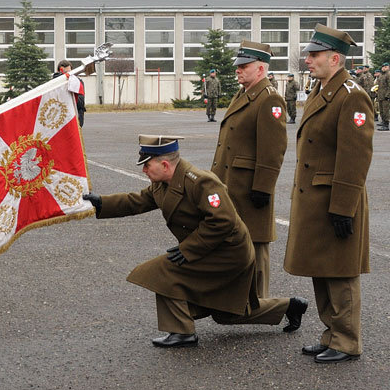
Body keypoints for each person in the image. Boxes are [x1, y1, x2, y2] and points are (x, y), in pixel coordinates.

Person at [82, 136, 307, 347]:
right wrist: (101, 202)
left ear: (165, 165)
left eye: (147, 165)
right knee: (225, 314)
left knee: (162, 271)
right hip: (209, 249)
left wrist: (188, 249)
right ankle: (290, 306)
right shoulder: (163, 184)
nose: (143, 170)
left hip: (229, 253)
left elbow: (223, 221)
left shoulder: (201, 182)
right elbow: (137, 201)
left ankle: (182, 331)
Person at [285, 24, 374, 363]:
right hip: (316, 198)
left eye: (314, 55)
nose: (308, 60)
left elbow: (355, 157)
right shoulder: (324, 90)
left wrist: (343, 207)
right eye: (308, 54)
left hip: (337, 197)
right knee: (321, 267)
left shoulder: (351, 94)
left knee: (340, 271)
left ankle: (347, 341)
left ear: (334, 58)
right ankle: (331, 334)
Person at [211, 40, 287, 298]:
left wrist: (263, 188)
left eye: (245, 66)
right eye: (238, 66)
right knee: (238, 244)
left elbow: (273, 149)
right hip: (232, 183)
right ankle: (241, 300)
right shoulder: (244, 94)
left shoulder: (269, 99)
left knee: (256, 245)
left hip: (251, 187)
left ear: (261, 68)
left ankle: (262, 303)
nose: (238, 70)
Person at [53, 59, 86, 127]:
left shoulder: (77, 82)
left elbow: (80, 103)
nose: (67, 75)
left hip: (75, 115)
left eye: (69, 72)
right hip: (59, 117)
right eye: (64, 73)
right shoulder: (54, 83)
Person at [377, 62, 390, 131]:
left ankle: (386, 124)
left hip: (385, 96)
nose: (383, 68)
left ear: (388, 67)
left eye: (385, 67)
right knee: (381, 110)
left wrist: (387, 95)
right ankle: (383, 122)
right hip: (381, 95)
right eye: (382, 67)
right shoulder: (382, 75)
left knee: (385, 110)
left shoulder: (388, 74)